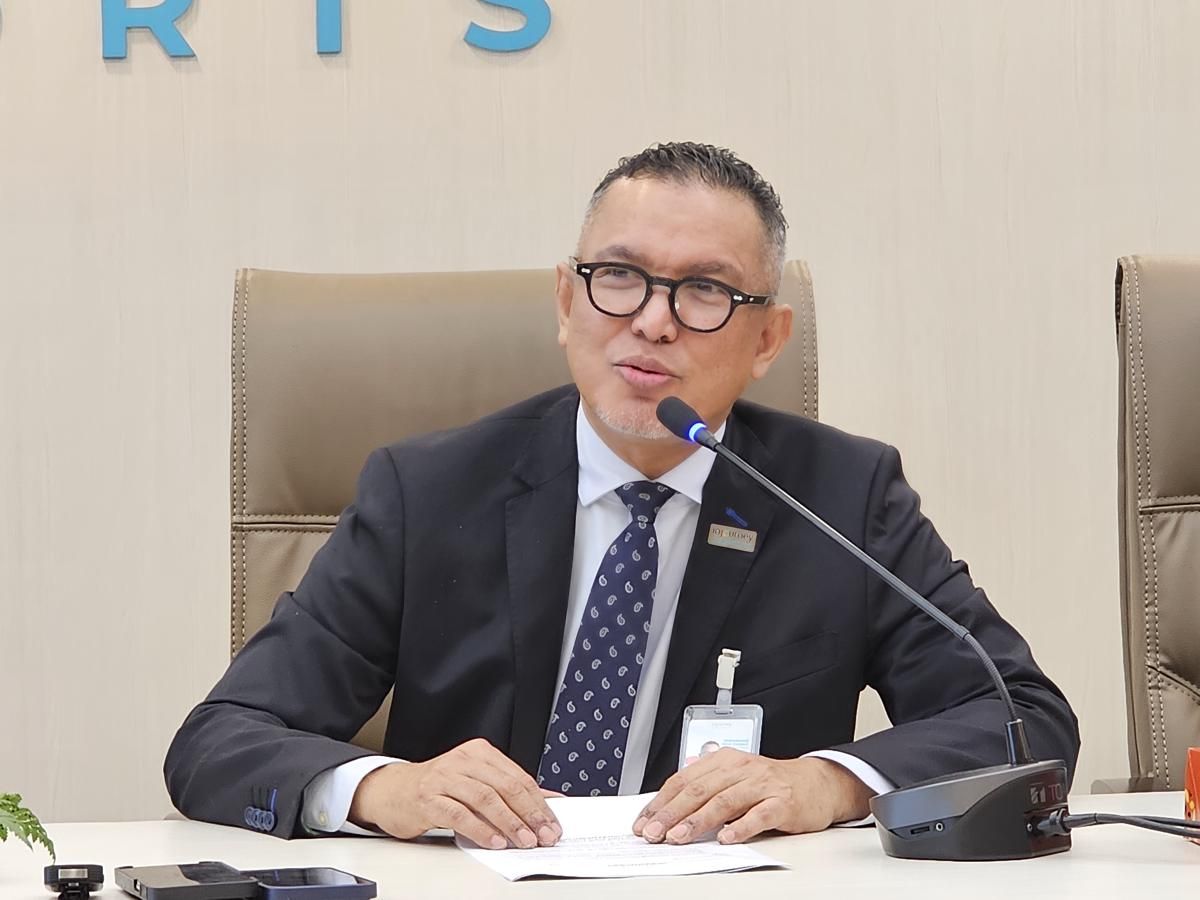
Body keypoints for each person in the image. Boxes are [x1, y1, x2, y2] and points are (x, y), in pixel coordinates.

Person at [165, 142, 1079, 851]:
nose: (651, 320)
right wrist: (379, 788)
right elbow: (218, 740)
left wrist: (830, 781)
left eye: (705, 291)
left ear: (768, 340)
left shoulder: (840, 496)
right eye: (620, 277)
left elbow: (1023, 719)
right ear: (567, 302)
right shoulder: (427, 492)